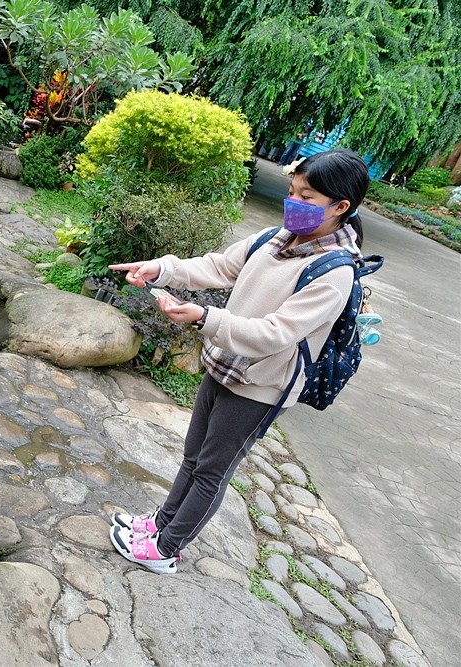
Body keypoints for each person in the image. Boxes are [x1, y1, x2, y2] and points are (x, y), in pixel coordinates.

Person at [107, 148, 369, 574]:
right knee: (193, 457)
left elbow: (275, 334)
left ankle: (167, 549)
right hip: (225, 366)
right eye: (292, 191)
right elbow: (218, 266)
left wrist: (205, 318)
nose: (293, 204)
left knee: (212, 471)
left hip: (259, 387)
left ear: (340, 207)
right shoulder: (275, 238)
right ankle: (159, 525)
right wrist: (160, 269)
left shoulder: (334, 271)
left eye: (307, 199)